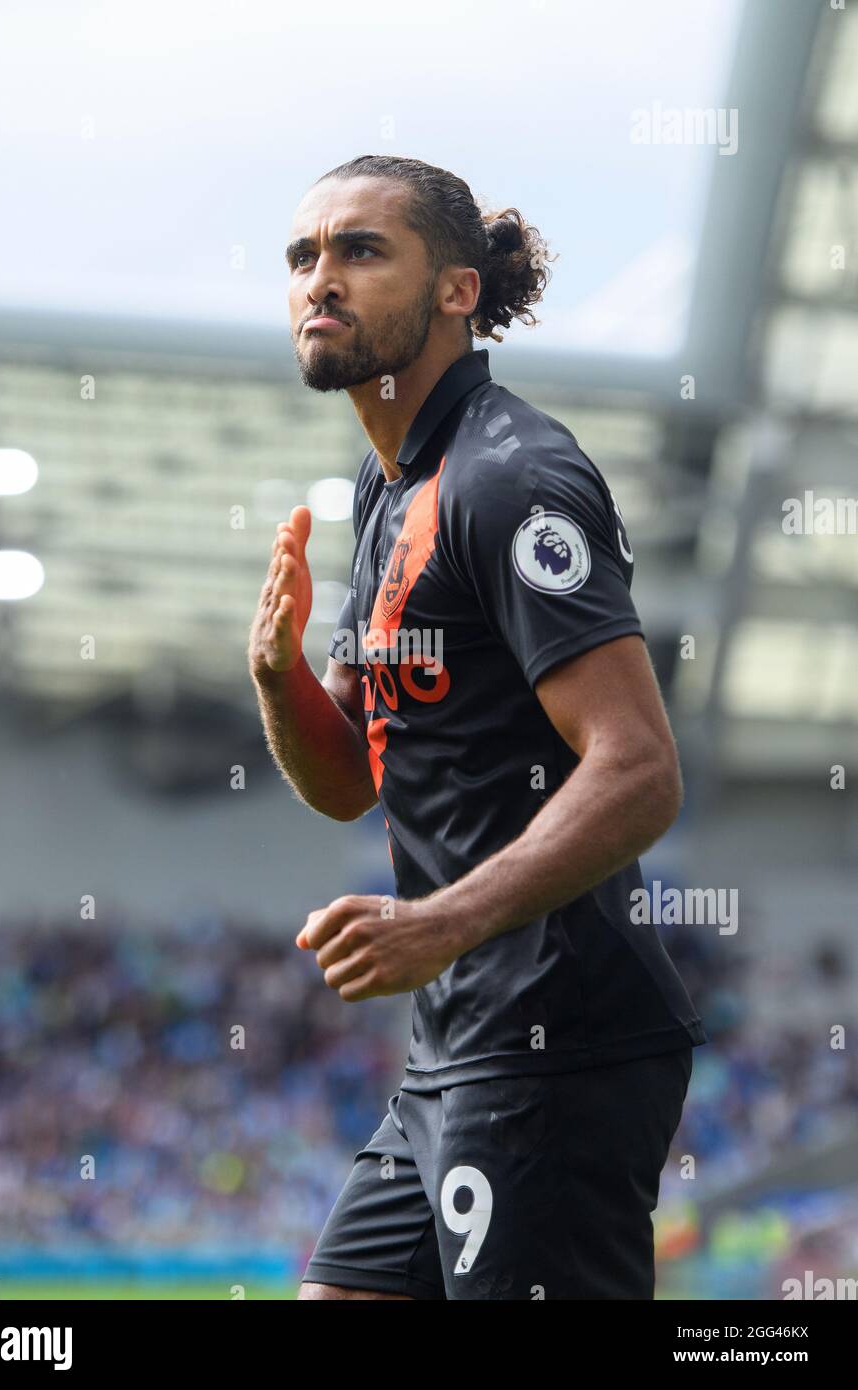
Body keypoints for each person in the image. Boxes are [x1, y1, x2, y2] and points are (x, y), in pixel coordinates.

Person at [249, 154, 706, 1300]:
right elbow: (352, 776)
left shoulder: (512, 478)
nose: (320, 281)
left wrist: (436, 922)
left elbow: (641, 770)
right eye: (303, 256)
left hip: (560, 1040)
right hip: (454, 1045)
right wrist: (277, 676)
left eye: (360, 251)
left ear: (457, 289)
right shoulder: (386, 484)